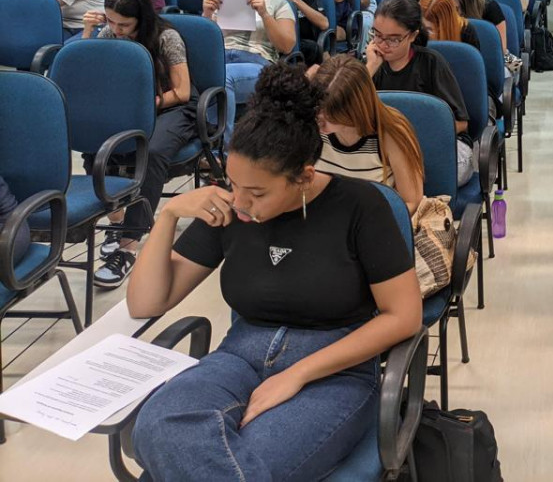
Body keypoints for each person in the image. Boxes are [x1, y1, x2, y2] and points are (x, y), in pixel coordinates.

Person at [128, 64, 422, 481]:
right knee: (154, 428)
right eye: (233, 184)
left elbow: (404, 315)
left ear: (303, 176)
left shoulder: (362, 207)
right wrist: (169, 215)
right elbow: (146, 301)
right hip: (239, 355)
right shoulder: (231, 208)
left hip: (333, 372)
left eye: (258, 193)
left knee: (246, 462)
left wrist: (297, 374)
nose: (242, 203)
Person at [80, 0, 196, 288]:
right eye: (110, 21)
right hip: (130, 105)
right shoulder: (108, 33)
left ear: (141, 20)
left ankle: (128, 246)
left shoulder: (166, 37)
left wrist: (147, 104)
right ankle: (116, 223)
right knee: (95, 143)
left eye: (124, 24)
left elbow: (182, 91)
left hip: (171, 106)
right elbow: (86, 73)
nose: (116, 30)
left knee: (152, 151)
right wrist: (89, 33)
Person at [365, 0, 474, 185]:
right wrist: (368, 69)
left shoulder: (431, 63)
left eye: (393, 39)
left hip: (438, 144)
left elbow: (461, 124)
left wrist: (414, 138)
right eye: (377, 35)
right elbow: (347, 111)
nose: (382, 45)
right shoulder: (372, 65)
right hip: (388, 147)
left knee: (413, 176)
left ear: (413, 35)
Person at [202, 0, 297, 146]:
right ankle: (203, 142)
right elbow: (208, 43)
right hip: (224, 57)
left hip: (258, 63)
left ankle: (223, 150)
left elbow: (287, 46)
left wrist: (264, 14)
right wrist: (207, 15)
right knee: (200, 74)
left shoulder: (278, 4)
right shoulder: (225, 0)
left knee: (222, 77)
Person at [312, 54, 424, 216]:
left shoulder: (391, 132)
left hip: (374, 222)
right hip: (324, 219)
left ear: (354, 109)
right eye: (317, 111)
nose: (319, 122)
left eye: (330, 117)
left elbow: (412, 201)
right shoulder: (312, 124)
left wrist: (363, 228)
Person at [446, 0, 518, 70]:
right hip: (462, 56)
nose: (455, 12)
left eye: (458, 8)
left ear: (469, 3)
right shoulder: (446, 7)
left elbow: (501, 49)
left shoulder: (491, 7)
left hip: (495, 55)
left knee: (516, 66)